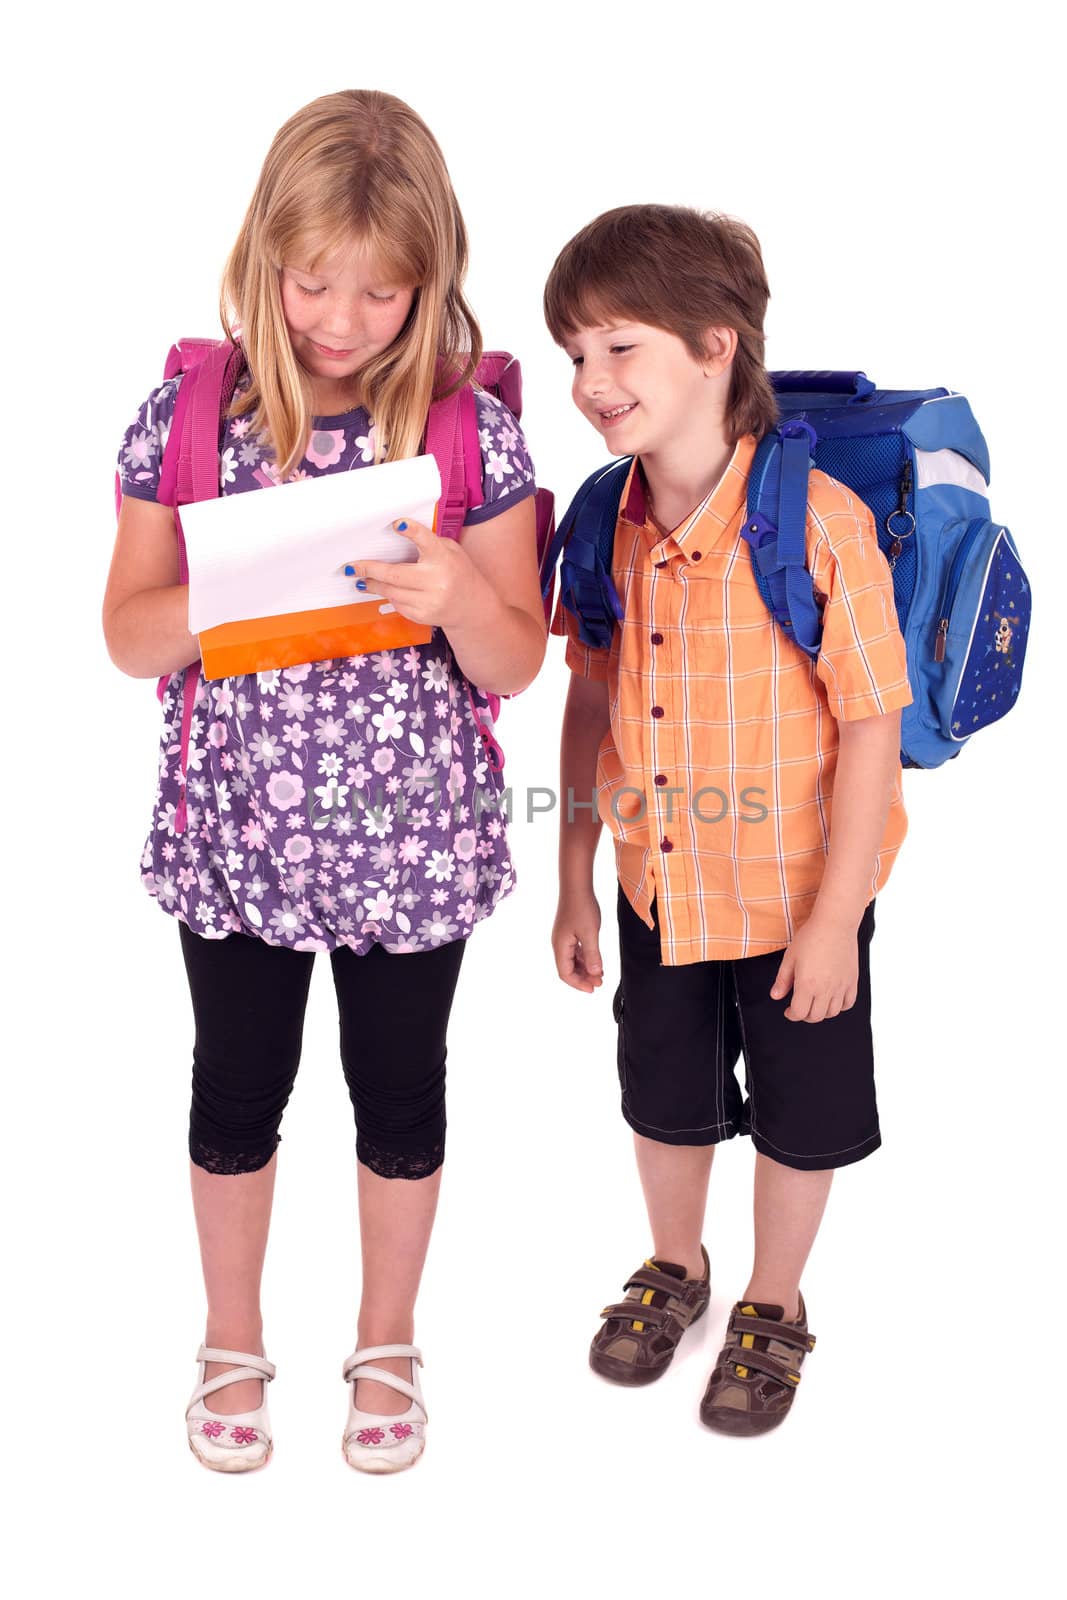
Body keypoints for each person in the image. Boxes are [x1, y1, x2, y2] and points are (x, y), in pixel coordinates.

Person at [104, 89, 545, 1474]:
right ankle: (230, 1339)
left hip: (410, 845)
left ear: (430, 280)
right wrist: (230, 590)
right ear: (263, 261)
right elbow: (126, 635)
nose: (342, 321)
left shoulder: (470, 434)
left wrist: (458, 586)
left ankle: (387, 1339)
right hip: (236, 836)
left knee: (399, 1093)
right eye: (311, 285)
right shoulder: (190, 420)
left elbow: (517, 661)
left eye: (381, 290)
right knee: (234, 1092)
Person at [545, 205, 911, 1435]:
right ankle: (677, 1265)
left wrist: (835, 917)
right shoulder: (604, 521)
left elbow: (869, 725)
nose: (591, 382)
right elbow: (588, 700)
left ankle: (772, 1296)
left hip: (799, 892)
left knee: (799, 1114)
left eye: (618, 348)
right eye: (575, 355)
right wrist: (574, 875)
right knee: (663, 1092)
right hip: (660, 884)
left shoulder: (813, 522)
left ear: (714, 346)